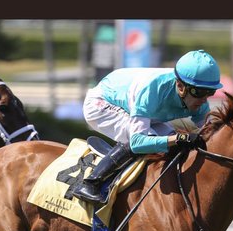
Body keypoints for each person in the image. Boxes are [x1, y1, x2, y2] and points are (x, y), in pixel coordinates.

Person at [74, 49, 222, 204]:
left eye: (210, 92)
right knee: (148, 141)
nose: (205, 100)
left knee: (174, 144)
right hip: (101, 103)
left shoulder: (198, 99)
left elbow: (210, 134)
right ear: (180, 86)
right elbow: (137, 142)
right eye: (199, 92)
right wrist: (178, 138)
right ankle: (90, 183)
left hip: (144, 110)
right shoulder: (152, 89)